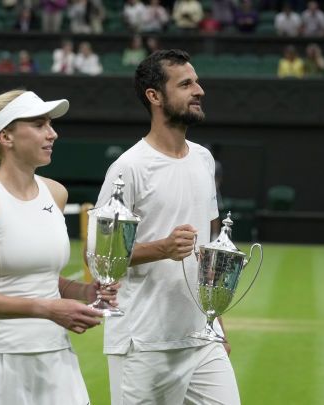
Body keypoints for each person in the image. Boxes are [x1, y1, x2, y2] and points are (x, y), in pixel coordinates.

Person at [0, 89, 116, 404]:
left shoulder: (56, 193)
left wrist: (84, 292)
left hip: (55, 361)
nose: (52, 133)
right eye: (39, 124)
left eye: (50, 124)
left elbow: (41, 277)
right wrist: (46, 308)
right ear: (6, 136)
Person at [94, 49, 240, 404]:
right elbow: (97, 257)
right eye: (186, 84)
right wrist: (162, 248)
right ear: (155, 96)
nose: (199, 90)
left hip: (200, 337)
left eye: (197, 81)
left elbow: (209, 250)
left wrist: (215, 320)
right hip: (143, 342)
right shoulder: (128, 168)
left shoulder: (204, 159)